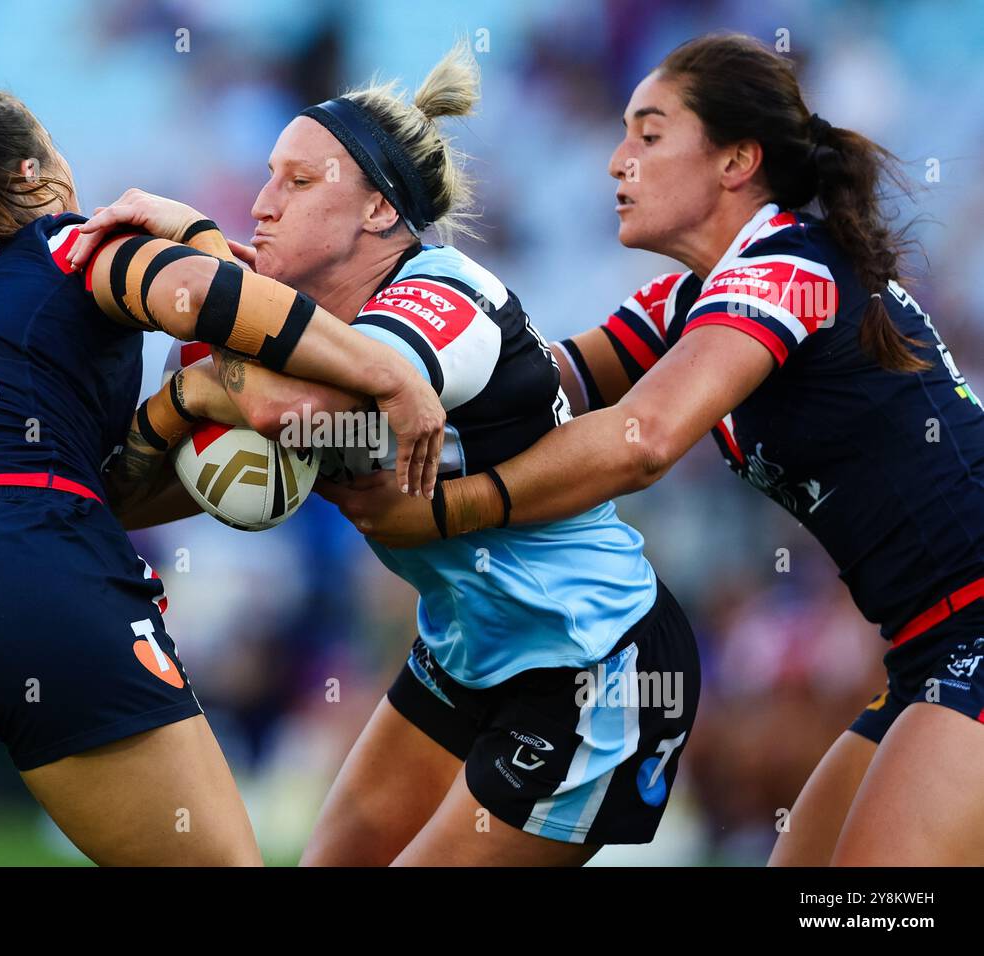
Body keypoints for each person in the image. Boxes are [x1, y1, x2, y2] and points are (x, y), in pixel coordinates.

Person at [0, 87, 445, 866]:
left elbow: (21, 466)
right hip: (33, 559)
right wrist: (389, 373)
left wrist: (183, 402)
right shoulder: (73, 243)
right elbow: (203, 300)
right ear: (37, 170)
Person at [320, 33, 984, 866]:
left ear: (736, 160)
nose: (615, 161)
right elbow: (532, 383)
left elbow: (644, 440)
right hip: (929, 645)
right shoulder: (693, 300)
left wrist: (448, 509)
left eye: (650, 133)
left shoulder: (782, 266)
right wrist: (364, 346)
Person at [73, 45, 701, 866]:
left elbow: (296, 413)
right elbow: (138, 499)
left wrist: (192, 354)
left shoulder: (444, 295)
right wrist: (178, 403)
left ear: (376, 210)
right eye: (268, 176)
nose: (262, 204)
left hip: (592, 659)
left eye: (299, 183)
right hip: (464, 650)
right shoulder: (285, 328)